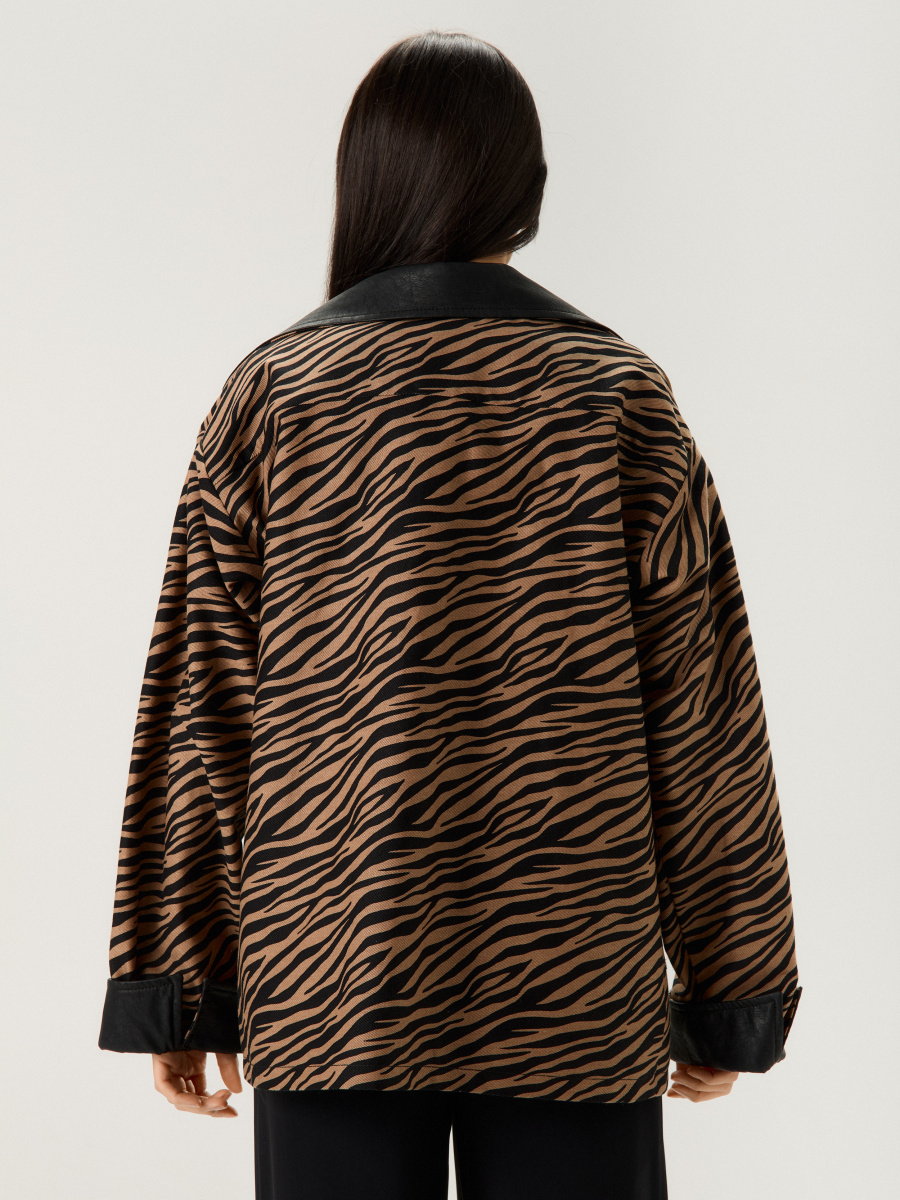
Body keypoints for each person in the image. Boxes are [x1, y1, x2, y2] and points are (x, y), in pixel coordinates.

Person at [98, 28, 803, 1200]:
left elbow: (199, 706)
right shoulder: (617, 397)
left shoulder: (273, 396)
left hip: (334, 983)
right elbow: (706, 720)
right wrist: (734, 991)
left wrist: (181, 984)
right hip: (570, 985)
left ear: (365, 182)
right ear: (528, 190)